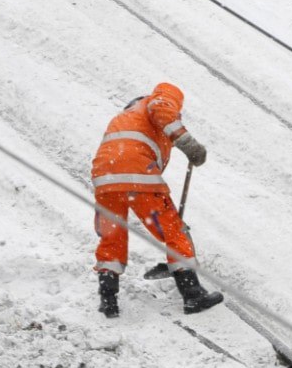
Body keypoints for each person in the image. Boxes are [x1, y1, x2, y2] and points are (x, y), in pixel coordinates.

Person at [90, 83, 223, 317]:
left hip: (105, 178)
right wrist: (189, 145)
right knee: (173, 230)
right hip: (136, 175)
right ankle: (192, 294)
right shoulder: (159, 97)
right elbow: (161, 107)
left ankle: (108, 299)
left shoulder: (126, 119)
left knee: (112, 235)